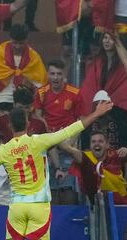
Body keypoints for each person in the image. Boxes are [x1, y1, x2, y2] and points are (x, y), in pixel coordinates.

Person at [0, 100, 113, 240]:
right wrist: (96, 114)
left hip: (17, 207)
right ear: (28, 123)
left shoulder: (3, 150)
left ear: (10, 125)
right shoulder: (38, 142)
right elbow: (69, 130)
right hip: (39, 206)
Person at [34, 59, 83, 204]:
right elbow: (37, 117)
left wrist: (69, 145)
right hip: (48, 147)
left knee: (68, 189)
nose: (55, 77)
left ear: (64, 75)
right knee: (50, 190)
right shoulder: (41, 93)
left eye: (59, 74)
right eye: (52, 73)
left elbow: (81, 121)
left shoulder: (75, 93)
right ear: (48, 74)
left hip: (69, 145)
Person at [60, 131, 127, 204]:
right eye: (93, 142)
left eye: (100, 141)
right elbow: (65, 147)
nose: (97, 144)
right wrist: (78, 128)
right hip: (94, 205)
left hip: (120, 205)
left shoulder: (116, 155)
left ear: (107, 145)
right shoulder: (86, 157)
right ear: (90, 145)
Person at [0, 24, 47, 99]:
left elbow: (41, 82)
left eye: (21, 43)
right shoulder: (0, 52)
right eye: (15, 43)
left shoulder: (33, 57)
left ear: (26, 40)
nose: (17, 46)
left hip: (24, 97)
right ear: (10, 39)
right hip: (0, 95)